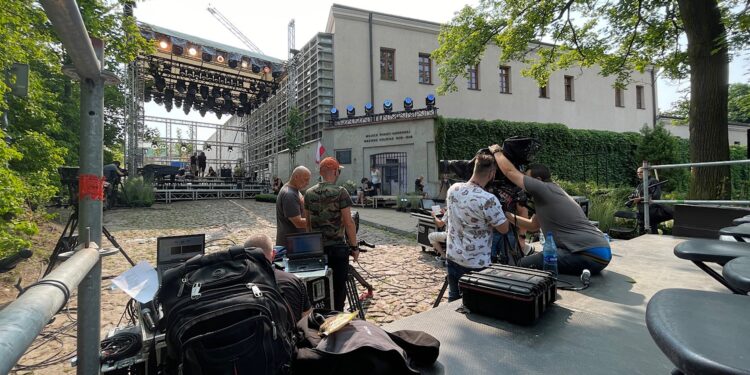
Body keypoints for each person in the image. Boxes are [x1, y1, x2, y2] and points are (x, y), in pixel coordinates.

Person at [489, 143, 611, 275]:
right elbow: (533, 226)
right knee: (536, 262)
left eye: (527, 177)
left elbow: (510, 172)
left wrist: (496, 152)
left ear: (538, 180)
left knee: (523, 265)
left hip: (587, 254)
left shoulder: (543, 188)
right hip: (599, 252)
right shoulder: (551, 193)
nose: (523, 184)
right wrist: (505, 215)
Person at [444, 153, 510, 302]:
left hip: (453, 256)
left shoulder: (453, 189)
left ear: (474, 169)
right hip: (476, 263)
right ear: (492, 174)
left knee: (453, 298)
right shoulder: (488, 199)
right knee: (476, 302)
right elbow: (504, 229)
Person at [304, 157, 359, 311]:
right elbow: (349, 223)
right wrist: (354, 247)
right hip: (337, 249)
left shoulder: (308, 193)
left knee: (319, 288)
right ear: (335, 172)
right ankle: (337, 318)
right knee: (339, 288)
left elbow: (308, 224)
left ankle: (321, 315)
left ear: (321, 172)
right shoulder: (340, 192)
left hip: (316, 249)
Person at [244, 234, 312, 323]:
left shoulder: (235, 284)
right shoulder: (292, 280)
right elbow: (308, 318)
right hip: (290, 335)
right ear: (273, 254)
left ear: (244, 255)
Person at [627, 167, 673, 233]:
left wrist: (641, 199)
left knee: (652, 231)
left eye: (641, 172)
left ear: (648, 173)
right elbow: (634, 195)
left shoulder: (653, 181)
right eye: (638, 172)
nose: (639, 174)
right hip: (641, 212)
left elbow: (656, 196)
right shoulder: (640, 184)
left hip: (650, 211)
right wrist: (632, 199)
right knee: (642, 233)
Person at [276, 166, 312, 247]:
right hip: (291, 245)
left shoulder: (294, 190)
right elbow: (298, 223)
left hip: (295, 242)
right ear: (296, 177)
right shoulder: (289, 195)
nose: (308, 183)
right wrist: (320, 221)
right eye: (306, 179)